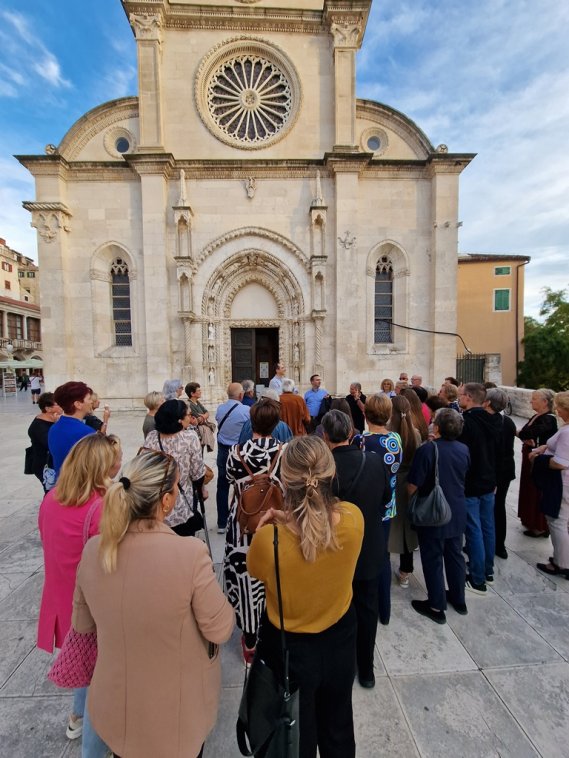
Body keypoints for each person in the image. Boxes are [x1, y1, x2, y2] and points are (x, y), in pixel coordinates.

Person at [72, 449, 235, 758]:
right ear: (166, 501)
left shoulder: (95, 550)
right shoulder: (189, 554)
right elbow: (220, 628)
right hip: (176, 711)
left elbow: (82, 624)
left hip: (116, 706)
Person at [247, 436, 364, 758]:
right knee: (339, 726)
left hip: (289, 649)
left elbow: (256, 570)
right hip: (340, 638)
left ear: (285, 482)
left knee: (295, 734)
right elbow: (319, 528)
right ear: (331, 473)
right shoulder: (354, 519)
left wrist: (275, 525)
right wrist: (290, 519)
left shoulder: (269, 541)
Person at [37, 433, 122, 746]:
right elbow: (114, 561)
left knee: (85, 660)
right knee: (102, 678)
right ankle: (95, 742)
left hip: (61, 595)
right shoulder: (100, 508)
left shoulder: (51, 499)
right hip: (93, 603)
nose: (118, 463)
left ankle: (77, 717)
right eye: (113, 460)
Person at [322, 410, 389, 689]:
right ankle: (367, 669)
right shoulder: (374, 461)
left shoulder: (324, 471)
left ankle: (342, 667)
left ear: (325, 436)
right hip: (369, 547)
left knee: (338, 611)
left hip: (336, 552)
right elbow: (385, 499)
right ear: (351, 433)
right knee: (367, 608)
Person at [224, 398, 287, 664]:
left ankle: (250, 641)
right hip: (275, 523)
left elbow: (230, 479)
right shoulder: (285, 451)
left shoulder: (235, 452)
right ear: (276, 423)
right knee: (275, 575)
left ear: (252, 423)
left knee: (246, 578)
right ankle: (274, 628)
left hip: (243, 524)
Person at [407, 409, 470, 623]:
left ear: (438, 427)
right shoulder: (463, 449)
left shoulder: (428, 450)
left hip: (433, 510)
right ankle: (459, 599)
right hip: (457, 509)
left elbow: (413, 484)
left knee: (433, 557)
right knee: (455, 555)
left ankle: (436, 605)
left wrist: (412, 503)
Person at [353, 393, 402, 626]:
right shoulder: (395, 439)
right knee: (382, 556)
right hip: (386, 507)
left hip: (364, 507)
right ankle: (384, 609)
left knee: (361, 556)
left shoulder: (361, 441)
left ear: (366, 414)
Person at [458, 383, 500, 595]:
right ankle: (487, 570)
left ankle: (477, 579)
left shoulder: (466, 422)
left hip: (472, 482)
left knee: (474, 529)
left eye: (460, 395)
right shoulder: (496, 420)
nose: (459, 399)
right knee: (487, 527)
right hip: (489, 480)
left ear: (468, 397)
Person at [145, 399, 206, 536]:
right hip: (181, 505)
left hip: (156, 506)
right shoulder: (190, 438)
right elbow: (197, 473)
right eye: (189, 415)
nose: (191, 418)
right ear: (179, 420)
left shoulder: (152, 437)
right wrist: (201, 489)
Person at [530, 391, 569, 579]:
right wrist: (545, 447)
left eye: (560, 407)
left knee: (557, 521)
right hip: (562, 482)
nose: (557, 410)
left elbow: (560, 462)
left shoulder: (567, 432)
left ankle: (562, 563)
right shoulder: (566, 428)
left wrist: (539, 459)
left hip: (562, 482)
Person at [387, 395, 420, 588]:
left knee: (388, 523)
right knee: (406, 528)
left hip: (392, 482)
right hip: (409, 483)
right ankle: (405, 572)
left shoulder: (389, 436)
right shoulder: (415, 434)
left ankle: (385, 566)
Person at [517, 388, 557, 537]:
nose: (531, 401)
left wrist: (522, 434)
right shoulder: (537, 416)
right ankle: (530, 521)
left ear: (545, 402)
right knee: (529, 488)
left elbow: (527, 433)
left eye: (534, 399)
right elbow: (524, 433)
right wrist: (523, 435)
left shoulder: (548, 419)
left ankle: (539, 526)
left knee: (536, 490)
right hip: (530, 456)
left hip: (538, 459)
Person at [484, 388, 516, 560]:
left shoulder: (488, 422)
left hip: (494, 470)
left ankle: (491, 545)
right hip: (505, 470)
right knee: (499, 507)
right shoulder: (508, 421)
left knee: (490, 508)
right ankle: (499, 545)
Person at [215, 383, 251, 532]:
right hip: (239, 451)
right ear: (241, 395)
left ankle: (222, 523)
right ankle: (241, 519)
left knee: (222, 485)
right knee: (243, 485)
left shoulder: (220, 408)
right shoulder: (246, 410)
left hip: (223, 450)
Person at [48, 382, 96, 478]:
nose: (92, 402)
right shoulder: (87, 433)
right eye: (89, 399)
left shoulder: (54, 428)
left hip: (62, 483)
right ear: (78, 404)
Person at [27, 392, 62, 490]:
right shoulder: (39, 426)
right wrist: (58, 425)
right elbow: (52, 444)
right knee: (51, 493)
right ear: (48, 409)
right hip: (45, 466)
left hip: (53, 463)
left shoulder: (52, 420)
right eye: (58, 404)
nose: (61, 406)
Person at [185, 381, 216, 452]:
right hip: (197, 433)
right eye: (198, 390)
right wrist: (203, 416)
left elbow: (207, 412)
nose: (200, 392)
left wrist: (202, 416)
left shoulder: (198, 402)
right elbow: (197, 418)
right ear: (192, 394)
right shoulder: (189, 404)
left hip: (202, 432)